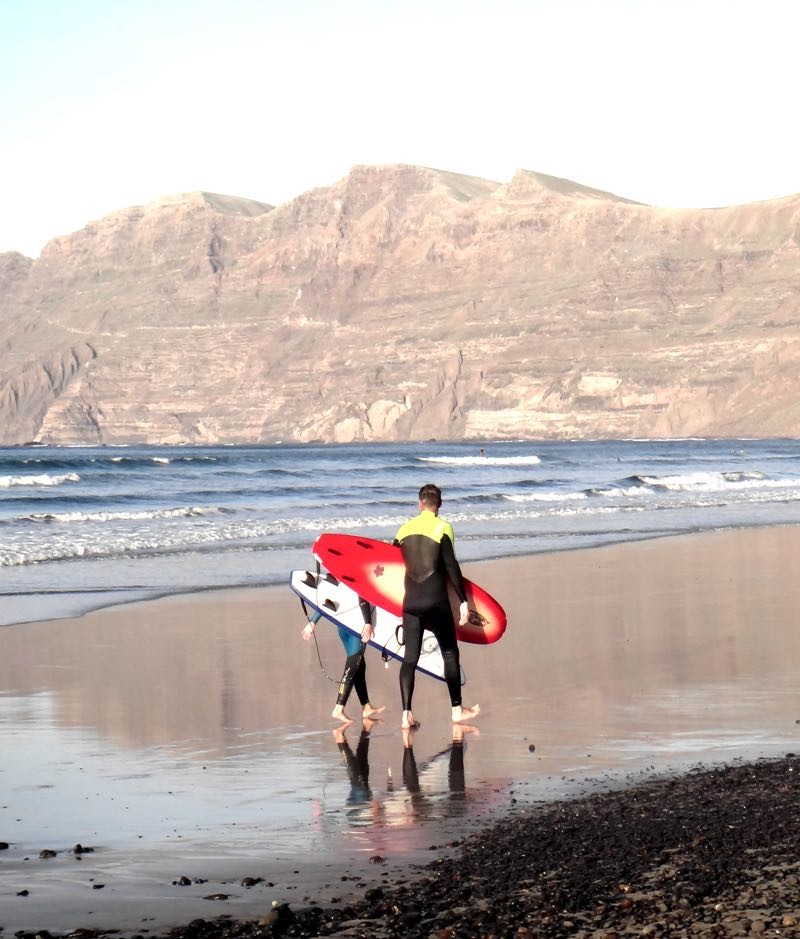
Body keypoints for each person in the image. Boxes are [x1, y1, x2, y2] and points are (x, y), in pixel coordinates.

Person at [393, 483, 480, 730]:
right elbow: (451, 566)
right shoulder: (444, 528)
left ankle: (406, 714)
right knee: (450, 653)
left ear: (419, 503)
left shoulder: (403, 529)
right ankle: (456, 710)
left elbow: (389, 562)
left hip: (410, 603)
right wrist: (464, 602)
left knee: (409, 658)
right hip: (436, 601)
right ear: (439, 505)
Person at [302, 596, 384, 724]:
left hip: (343, 625)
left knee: (359, 663)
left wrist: (313, 621)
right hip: (358, 624)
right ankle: (338, 708)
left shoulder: (342, 577)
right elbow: (363, 597)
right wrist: (368, 623)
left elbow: (328, 597)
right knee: (354, 664)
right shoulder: (359, 578)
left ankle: (366, 706)